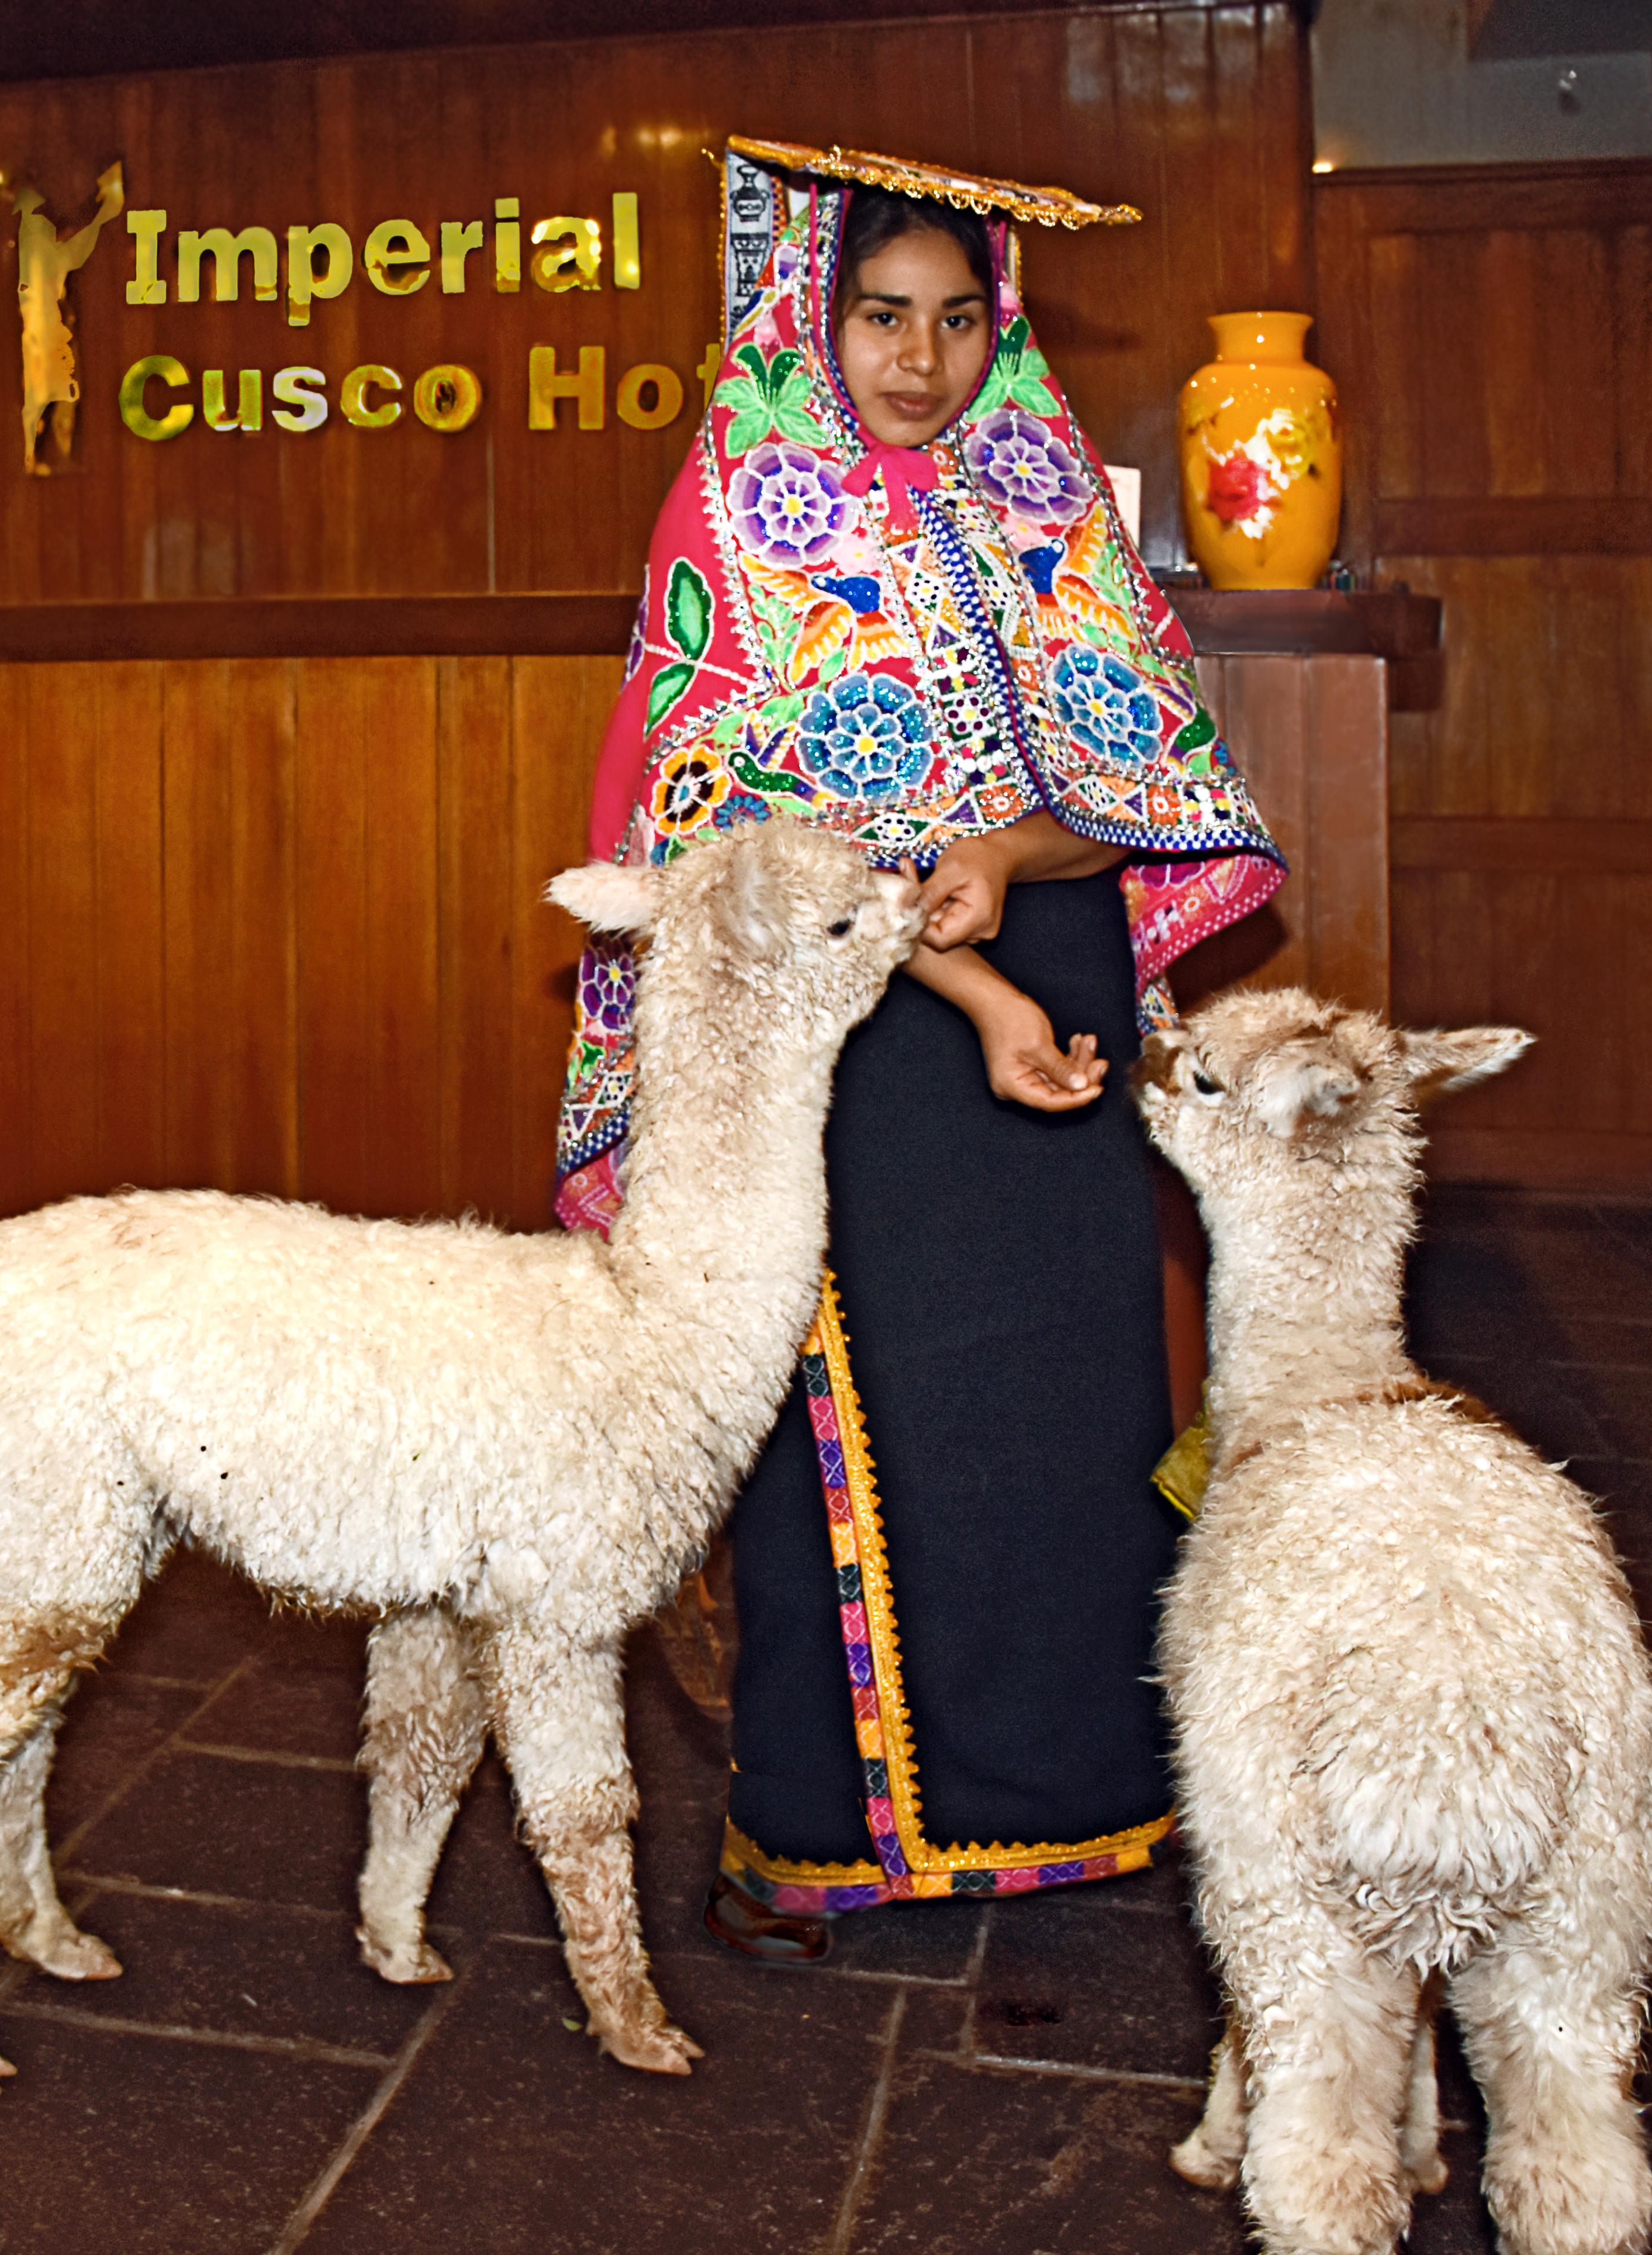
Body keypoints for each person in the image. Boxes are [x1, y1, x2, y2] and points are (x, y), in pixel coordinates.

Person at [555, 144, 1287, 1957]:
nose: (921, 358)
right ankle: (826, 1830)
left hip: (1049, 968)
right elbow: (714, 827)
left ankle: (1081, 1794)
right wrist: (963, 977)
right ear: (815, 312)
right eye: (882, 315)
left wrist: (1004, 866)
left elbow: (1149, 787)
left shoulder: (1051, 500)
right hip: (847, 1013)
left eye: (960, 320)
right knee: (864, 1414)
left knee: (1067, 1402)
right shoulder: (740, 507)